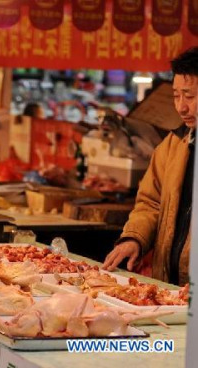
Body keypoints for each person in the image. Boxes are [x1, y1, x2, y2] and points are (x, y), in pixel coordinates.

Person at [103, 47, 198, 286]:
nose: (181, 107)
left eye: (190, 96)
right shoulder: (173, 145)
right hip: (171, 285)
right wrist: (135, 238)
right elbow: (151, 202)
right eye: (176, 96)